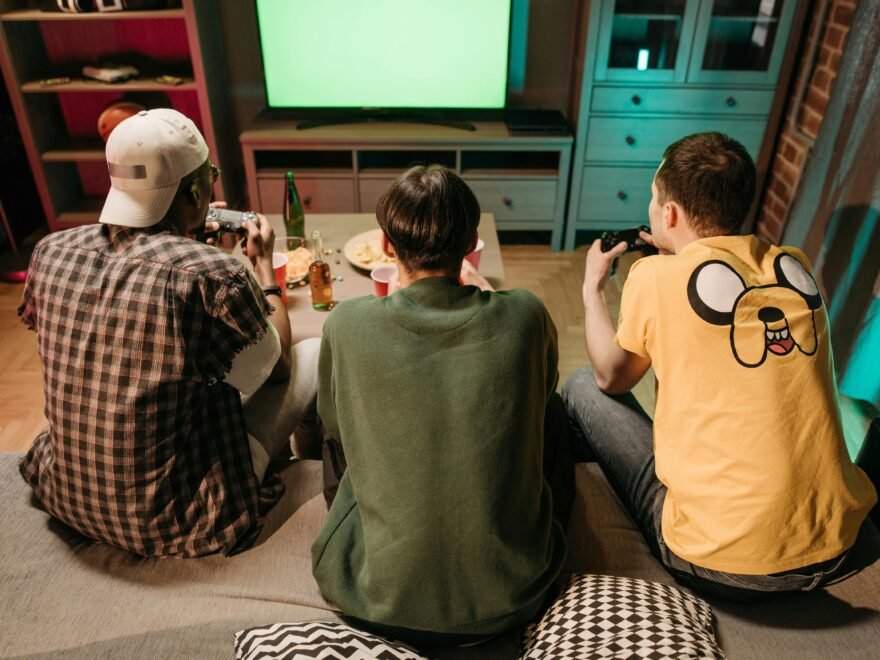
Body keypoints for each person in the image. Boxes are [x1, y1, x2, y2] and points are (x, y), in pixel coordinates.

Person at [563, 131, 877, 600]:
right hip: (839, 546)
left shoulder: (653, 277)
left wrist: (592, 288)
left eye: (654, 199)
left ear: (668, 214)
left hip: (720, 563)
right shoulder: (796, 268)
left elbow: (612, 375)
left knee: (583, 384)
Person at [18, 108, 320, 557]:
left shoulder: (49, 251)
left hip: (68, 494)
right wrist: (261, 267)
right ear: (197, 190)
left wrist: (188, 244)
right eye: (209, 177)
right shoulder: (214, 275)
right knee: (311, 351)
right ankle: (305, 469)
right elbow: (277, 369)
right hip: (175, 516)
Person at [311, 165, 572, 646]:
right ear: (473, 242)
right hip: (514, 596)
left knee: (338, 428)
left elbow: (335, 427)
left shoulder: (345, 324)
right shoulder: (527, 315)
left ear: (387, 246)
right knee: (551, 407)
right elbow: (540, 386)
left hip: (374, 599)